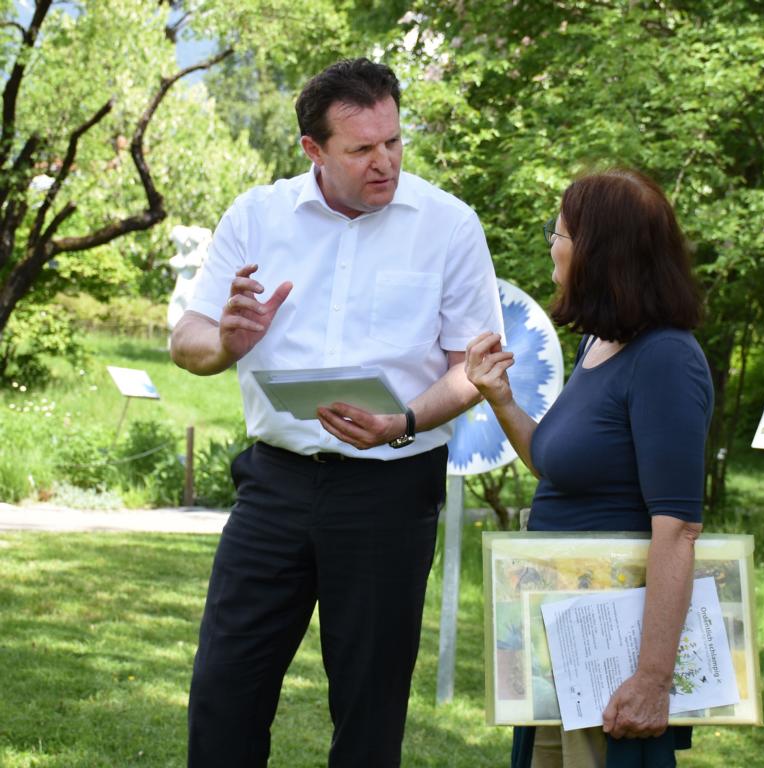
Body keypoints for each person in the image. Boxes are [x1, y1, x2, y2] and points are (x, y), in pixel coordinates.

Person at [170, 58, 503, 767]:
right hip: (274, 484)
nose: (384, 162)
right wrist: (227, 341)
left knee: (369, 706)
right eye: (361, 149)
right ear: (313, 150)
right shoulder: (257, 217)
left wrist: (404, 422)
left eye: (393, 141)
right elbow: (187, 342)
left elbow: (470, 372)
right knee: (224, 686)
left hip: (391, 489)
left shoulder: (448, 225)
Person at [466, 169, 712, 768]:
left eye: (561, 231)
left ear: (599, 250)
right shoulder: (599, 344)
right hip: (562, 645)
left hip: (615, 655)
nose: (552, 242)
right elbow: (558, 469)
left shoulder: (666, 359)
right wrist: (501, 400)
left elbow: (676, 527)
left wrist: (652, 679)